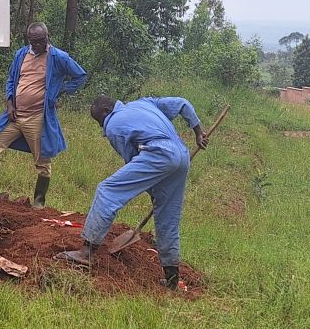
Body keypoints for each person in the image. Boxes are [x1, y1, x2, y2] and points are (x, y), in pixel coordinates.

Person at [55, 95, 208, 290]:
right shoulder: (144, 103)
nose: (102, 126)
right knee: (168, 216)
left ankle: (86, 253)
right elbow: (182, 104)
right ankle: (171, 279)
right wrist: (198, 132)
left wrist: (150, 187)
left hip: (159, 154)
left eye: (99, 121)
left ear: (105, 112)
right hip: (181, 156)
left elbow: (132, 160)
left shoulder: (113, 126)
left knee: (108, 191)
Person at [0, 22, 87, 209]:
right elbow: (11, 79)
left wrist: (60, 91)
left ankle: (38, 203)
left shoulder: (58, 57)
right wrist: (10, 102)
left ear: (47, 36)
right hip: (14, 116)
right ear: (28, 40)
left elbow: (80, 76)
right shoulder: (21, 54)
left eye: (41, 41)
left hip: (38, 117)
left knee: (43, 159)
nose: (38, 45)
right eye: (34, 42)